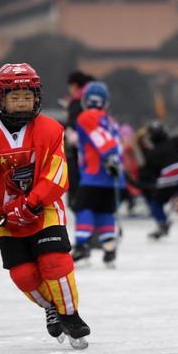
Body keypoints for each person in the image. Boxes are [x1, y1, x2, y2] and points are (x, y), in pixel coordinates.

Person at [0, 62, 90, 349]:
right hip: (4, 218)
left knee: (54, 262)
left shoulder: (50, 129)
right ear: (1, 98)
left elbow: (57, 174)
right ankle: (52, 307)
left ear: (37, 97)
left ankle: (70, 315)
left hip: (43, 210)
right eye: (15, 96)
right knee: (24, 275)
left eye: (27, 96)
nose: (22, 102)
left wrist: (31, 204)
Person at [71, 81, 125, 266]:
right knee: (104, 212)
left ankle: (82, 245)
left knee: (82, 208)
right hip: (111, 178)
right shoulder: (110, 120)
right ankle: (109, 248)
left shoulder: (86, 117)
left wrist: (109, 157)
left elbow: (101, 138)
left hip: (94, 174)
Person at [139, 120, 178, 239]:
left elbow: (153, 173)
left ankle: (162, 223)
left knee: (156, 203)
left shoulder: (152, 153)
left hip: (169, 177)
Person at [63, 70, 94, 206]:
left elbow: (73, 126)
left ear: (74, 85)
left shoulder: (77, 101)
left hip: (79, 151)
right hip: (93, 151)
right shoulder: (93, 99)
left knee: (77, 185)